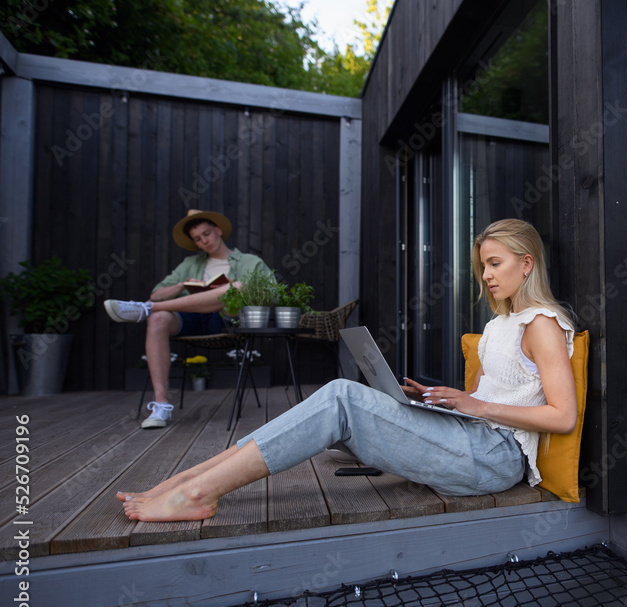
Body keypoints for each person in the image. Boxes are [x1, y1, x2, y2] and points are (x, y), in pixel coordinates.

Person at [118, 218, 578, 522]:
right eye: (483, 266)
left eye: (495, 264)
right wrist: (437, 399)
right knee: (340, 398)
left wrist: (474, 405)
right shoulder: (500, 324)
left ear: (527, 263)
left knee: (341, 395)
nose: (487, 275)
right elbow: (486, 400)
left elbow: (562, 416)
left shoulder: (542, 324)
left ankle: (199, 493)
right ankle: (193, 479)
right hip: (469, 437)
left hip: (495, 458)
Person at [104, 209, 272, 429]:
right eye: (197, 239)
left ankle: (146, 309)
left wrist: (231, 289)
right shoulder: (190, 264)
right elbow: (157, 293)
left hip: (225, 320)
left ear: (218, 231)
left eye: (206, 234)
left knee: (237, 286)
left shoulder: (249, 261)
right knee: (158, 320)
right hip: (191, 319)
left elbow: (271, 293)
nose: (204, 241)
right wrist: (182, 285)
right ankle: (161, 406)